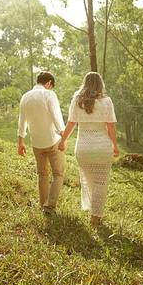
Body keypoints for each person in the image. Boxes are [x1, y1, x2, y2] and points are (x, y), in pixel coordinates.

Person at [58, 71, 119, 226]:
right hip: (102, 148)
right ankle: (95, 216)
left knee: (90, 181)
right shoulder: (106, 101)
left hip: (83, 148)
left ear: (84, 83)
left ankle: (94, 210)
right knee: (100, 183)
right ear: (100, 84)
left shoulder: (77, 100)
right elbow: (111, 126)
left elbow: (71, 123)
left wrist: (63, 140)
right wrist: (115, 146)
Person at [17, 71, 66, 215]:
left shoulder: (25, 97)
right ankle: (49, 207)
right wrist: (63, 137)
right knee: (58, 174)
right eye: (52, 86)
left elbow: (22, 121)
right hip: (52, 141)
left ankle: (43, 204)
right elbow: (57, 117)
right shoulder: (49, 94)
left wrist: (21, 142)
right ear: (49, 83)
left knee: (42, 174)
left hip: (36, 143)